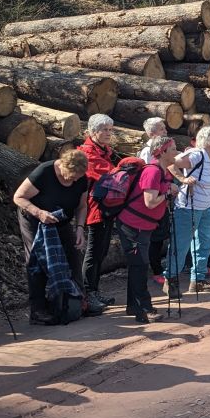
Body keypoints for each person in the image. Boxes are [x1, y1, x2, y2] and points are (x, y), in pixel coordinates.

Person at [14, 149, 92, 324]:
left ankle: (78, 300)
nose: (74, 180)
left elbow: (81, 206)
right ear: (62, 166)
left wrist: (80, 228)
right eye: (71, 176)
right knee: (37, 260)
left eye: (78, 177)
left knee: (74, 253)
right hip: (34, 218)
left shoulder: (81, 179)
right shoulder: (44, 172)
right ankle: (38, 310)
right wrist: (39, 213)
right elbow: (18, 197)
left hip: (61, 219)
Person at [118, 136, 178, 321]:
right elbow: (150, 202)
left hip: (144, 225)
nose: (176, 152)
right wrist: (168, 192)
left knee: (138, 265)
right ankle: (143, 309)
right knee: (140, 265)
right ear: (162, 152)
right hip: (133, 225)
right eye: (173, 149)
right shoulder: (152, 171)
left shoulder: (164, 172)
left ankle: (133, 306)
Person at [166, 126, 210, 295]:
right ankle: (171, 280)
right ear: (207, 139)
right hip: (187, 207)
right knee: (181, 245)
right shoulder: (197, 155)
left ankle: (198, 280)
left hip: (205, 208)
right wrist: (183, 179)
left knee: (205, 244)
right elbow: (170, 162)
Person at [79, 114, 121, 307]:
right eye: (104, 129)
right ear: (93, 131)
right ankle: (87, 294)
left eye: (110, 130)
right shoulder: (88, 153)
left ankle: (94, 291)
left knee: (102, 252)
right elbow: (111, 175)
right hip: (95, 209)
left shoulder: (104, 151)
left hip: (107, 207)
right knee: (94, 252)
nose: (108, 133)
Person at [138, 117, 171, 284]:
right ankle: (156, 270)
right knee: (154, 237)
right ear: (151, 133)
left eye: (164, 128)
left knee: (160, 235)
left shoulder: (165, 149)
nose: (165, 131)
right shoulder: (147, 151)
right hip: (152, 198)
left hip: (162, 197)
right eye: (161, 129)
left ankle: (158, 267)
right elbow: (148, 175)